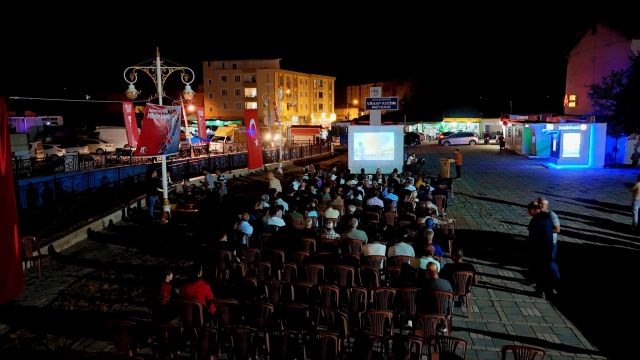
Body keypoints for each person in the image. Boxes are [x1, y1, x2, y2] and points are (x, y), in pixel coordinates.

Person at [526, 201, 557, 299]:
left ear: (535, 210)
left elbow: (532, 235)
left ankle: (540, 291)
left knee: (539, 270)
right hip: (549, 247)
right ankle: (550, 289)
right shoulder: (548, 217)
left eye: (529, 210)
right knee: (546, 270)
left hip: (539, 248)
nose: (528, 213)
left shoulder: (536, 220)